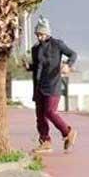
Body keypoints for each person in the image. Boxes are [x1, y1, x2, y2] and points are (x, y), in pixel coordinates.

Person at [23, 16, 78, 153]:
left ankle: (68, 132)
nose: (39, 37)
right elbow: (36, 66)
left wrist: (67, 65)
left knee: (50, 112)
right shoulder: (35, 49)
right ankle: (45, 142)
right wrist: (28, 66)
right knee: (40, 116)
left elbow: (73, 54)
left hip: (53, 85)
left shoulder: (58, 44)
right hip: (38, 85)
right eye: (37, 34)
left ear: (47, 33)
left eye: (41, 34)